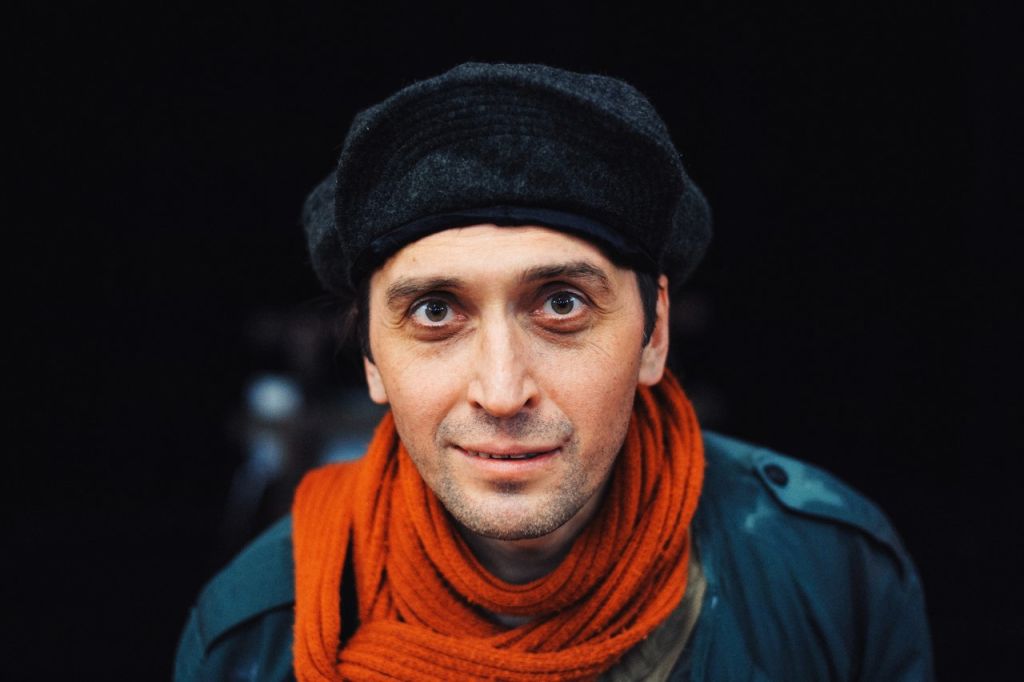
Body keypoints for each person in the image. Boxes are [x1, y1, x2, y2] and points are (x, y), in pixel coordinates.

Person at [174, 63, 934, 681]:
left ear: (655, 335)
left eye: (562, 304)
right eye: (436, 312)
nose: (503, 393)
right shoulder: (253, 634)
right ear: (372, 358)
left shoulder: (833, 576)